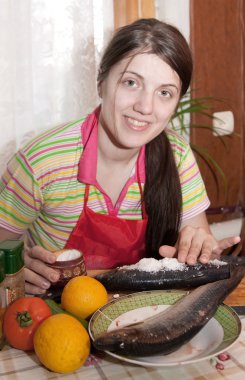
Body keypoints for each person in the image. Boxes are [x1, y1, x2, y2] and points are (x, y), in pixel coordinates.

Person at [0, 18, 240, 295]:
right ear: (101, 82)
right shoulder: (42, 161)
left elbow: (198, 240)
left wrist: (200, 248)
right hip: (58, 318)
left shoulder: (177, 156)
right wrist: (18, 266)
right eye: (131, 83)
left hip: (142, 312)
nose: (145, 107)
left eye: (164, 93)